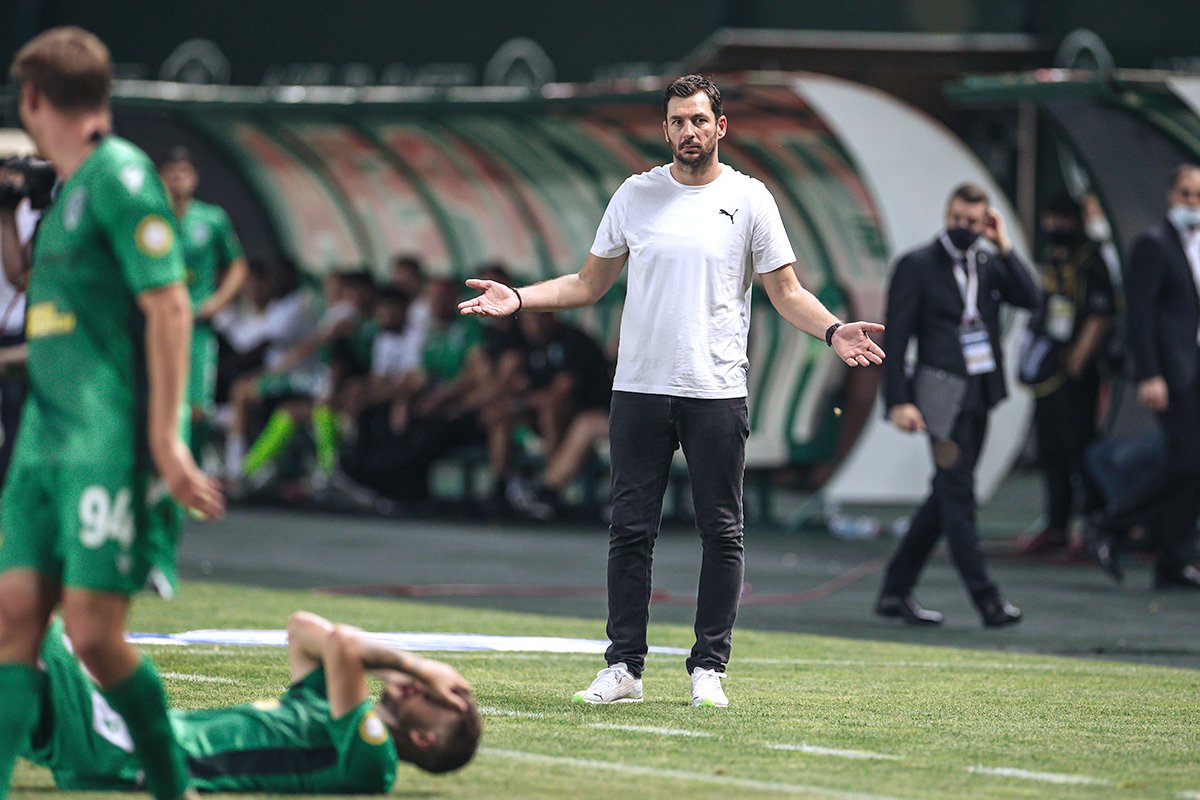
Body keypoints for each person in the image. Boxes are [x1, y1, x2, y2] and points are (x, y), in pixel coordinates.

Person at [459, 74, 884, 708]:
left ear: (721, 127)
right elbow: (587, 284)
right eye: (678, 121)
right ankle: (623, 667)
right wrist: (518, 297)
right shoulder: (635, 195)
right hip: (639, 388)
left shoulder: (750, 199)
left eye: (699, 120)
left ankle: (709, 668)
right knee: (631, 530)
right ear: (665, 129)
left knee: (723, 532)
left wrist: (832, 330)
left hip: (716, 390)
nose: (689, 131)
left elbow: (787, 291)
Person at [0, 27, 224, 800]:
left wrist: (167, 439)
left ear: (33, 98)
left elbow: (170, 306)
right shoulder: (68, 190)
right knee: (14, 620)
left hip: (104, 438)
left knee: (94, 636)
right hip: (43, 437)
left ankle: (171, 786)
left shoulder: (123, 178)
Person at [19, 611, 481, 793]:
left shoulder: (374, 762)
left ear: (423, 738)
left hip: (132, 752)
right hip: (124, 737)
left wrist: (423, 669)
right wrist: (402, 674)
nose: (427, 690)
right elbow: (303, 630)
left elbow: (342, 644)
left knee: (26, 619)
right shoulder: (328, 712)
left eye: (437, 701)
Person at [876, 182, 1039, 628]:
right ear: (947, 216)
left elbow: (1032, 298)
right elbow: (897, 338)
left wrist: (1005, 245)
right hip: (939, 396)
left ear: (985, 222)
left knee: (946, 494)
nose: (964, 228)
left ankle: (894, 590)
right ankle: (988, 600)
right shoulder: (917, 265)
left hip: (980, 393)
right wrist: (898, 401)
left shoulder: (988, 262)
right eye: (958, 220)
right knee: (959, 494)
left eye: (973, 222)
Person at [1084, 164, 1200, 589]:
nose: (1192, 203)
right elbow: (1141, 315)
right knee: (1188, 461)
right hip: (1172, 373)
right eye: (1186, 194)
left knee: (1191, 466)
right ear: (1171, 195)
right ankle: (1110, 523)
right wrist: (1150, 373)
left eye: (1199, 196)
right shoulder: (1154, 244)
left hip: (1196, 368)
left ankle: (1173, 560)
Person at [1016, 193, 1115, 555]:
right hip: (1047, 372)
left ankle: (1094, 525)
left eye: (1064, 219)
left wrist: (1078, 360)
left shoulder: (1091, 261)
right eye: (1052, 219)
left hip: (1078, 375)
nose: (1056, 227)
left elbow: (1102, 315)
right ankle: (1056, 524)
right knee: (1051, 449)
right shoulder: (1053, 260)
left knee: (1081, 449)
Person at [157, 146, 247, 464]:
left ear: (194, 178)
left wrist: (218, 301)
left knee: (197, 408)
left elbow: (237, 265)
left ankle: (192, 467)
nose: (177, 179)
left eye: (183, 173)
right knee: (162, 401)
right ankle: (163, 472)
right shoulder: (151, 219)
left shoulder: (211, 219)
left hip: (197, 328)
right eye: (170, 173)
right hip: (160, 324)